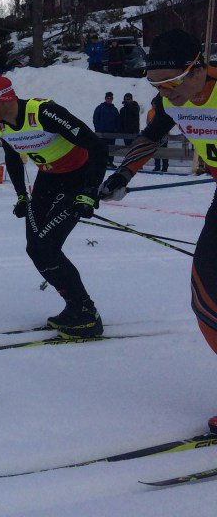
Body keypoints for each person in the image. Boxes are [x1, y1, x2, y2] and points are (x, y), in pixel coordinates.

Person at [99, 31, 217, 423]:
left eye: (171, 82)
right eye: (156, 86)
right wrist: (123, 175)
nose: (165, 93)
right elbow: (150, 137)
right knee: (206, 299)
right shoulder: (171, 101)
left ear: (198, 69)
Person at [0, 75, 107, 337]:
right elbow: (13, 159)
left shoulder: (43, 112)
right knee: (35, 248)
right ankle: (76, 306)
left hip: (77, 178)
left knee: (46, 247)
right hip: (48, 177)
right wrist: (21, 196)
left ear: (7, 98)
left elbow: (97, 147)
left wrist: (89, 192)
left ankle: (86, 313)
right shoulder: (1, 124)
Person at [93, 91, 121, 166]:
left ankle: (110, 162)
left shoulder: (114, 110)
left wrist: (116, 130)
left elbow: (118, 120)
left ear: (112, 99)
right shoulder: (99, 108)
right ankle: (101, 162)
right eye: (108, 98)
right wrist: (98, 129)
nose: (109, 99)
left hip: (112, 133)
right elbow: (95, 119)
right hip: (102, 133)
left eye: (110, 98)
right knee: (102, 148)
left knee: (111, 149)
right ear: (105, 98)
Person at [146, 96, 169, 172]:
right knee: (155, 150)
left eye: (155, 104)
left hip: (162, 134)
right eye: (153, 104)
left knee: (164, 151)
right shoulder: (150, 112)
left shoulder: (163, 111)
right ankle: (157, 166)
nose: (154, 105)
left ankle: (165, 166)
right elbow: (148, 122)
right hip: (154, 134)